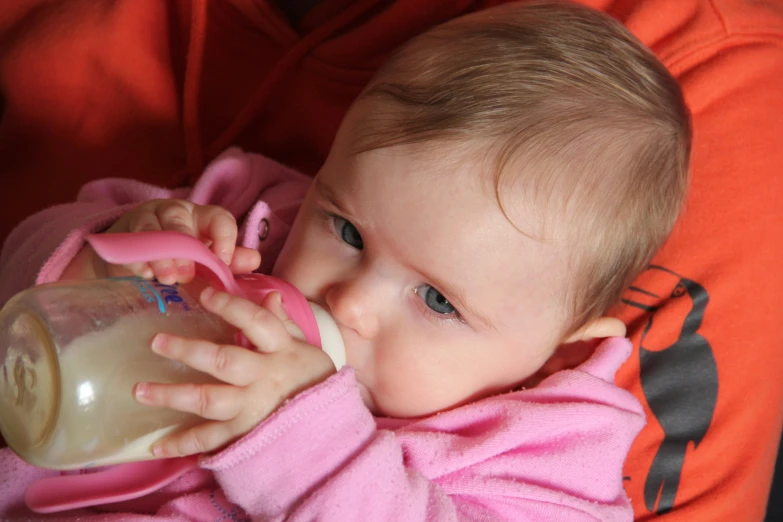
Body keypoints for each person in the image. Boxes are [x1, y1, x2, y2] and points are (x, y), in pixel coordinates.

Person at [0, 0, 781, 520]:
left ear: (562, 347)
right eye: (345, 229)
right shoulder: (248, 225)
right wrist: (108, 251)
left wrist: (303, 440)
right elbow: (20, 269)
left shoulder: (542, 457)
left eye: (437, 301)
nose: (349, 305)